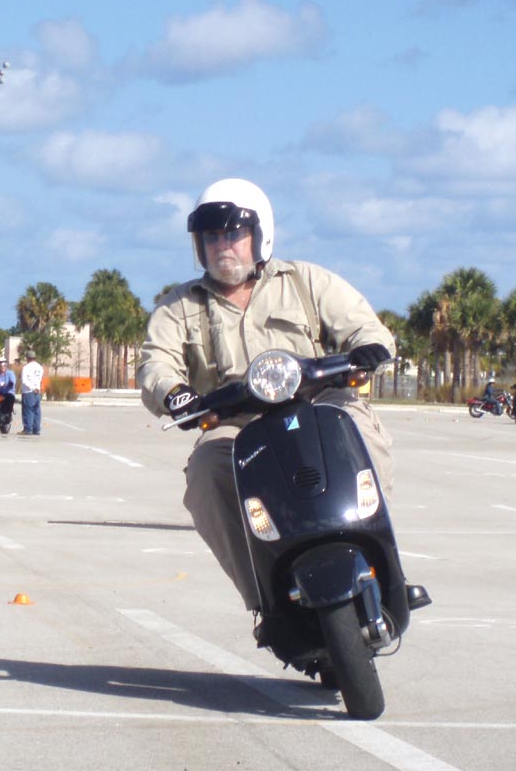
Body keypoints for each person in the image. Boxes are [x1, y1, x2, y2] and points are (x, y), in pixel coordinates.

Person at [137, 177, 395, 630]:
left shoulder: (305, 281)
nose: (222, 245)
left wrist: (369, 347)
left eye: (233, 234)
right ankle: (266, 601)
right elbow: (155, 361)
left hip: (319, 402)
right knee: (205, 472)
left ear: (260, 235)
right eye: (211, 237)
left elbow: (365, 326)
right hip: (238, 421)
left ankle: (382, 565)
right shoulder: (178, 305)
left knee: (359, 433)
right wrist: (173, 392)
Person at [18, 349, 44, 435]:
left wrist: (32, 388)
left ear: (27, 358)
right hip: (37, 391)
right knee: (36, 410)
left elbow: (24, 381)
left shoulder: (26, 368)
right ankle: (36, 429)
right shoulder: (40, 367)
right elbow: (39, 379)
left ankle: (28, 429)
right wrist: (36, 388)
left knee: (28, 410)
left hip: (28, 391)